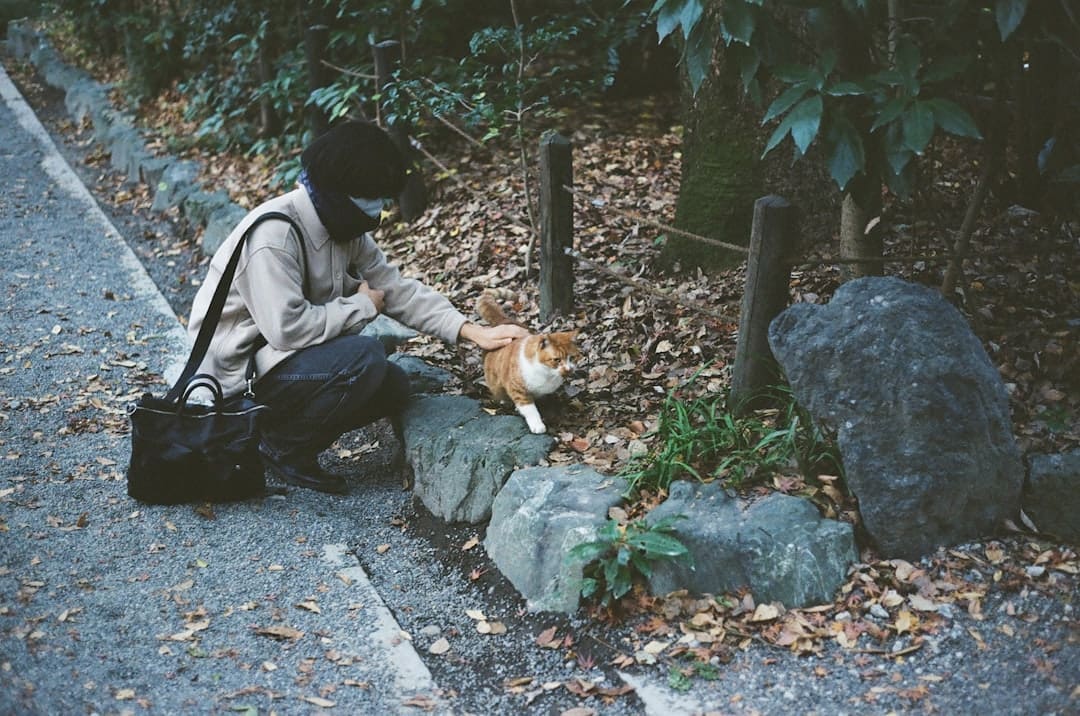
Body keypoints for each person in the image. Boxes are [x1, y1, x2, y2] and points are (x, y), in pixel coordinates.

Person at [186, 120, 527, 494]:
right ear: (340, 191)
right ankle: (281, 446)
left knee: (392, 384)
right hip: (235, 377)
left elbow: (394, 288)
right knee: (364, 357)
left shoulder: (342, 225)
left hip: (278, 364)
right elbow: (288, 330)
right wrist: (362, 307)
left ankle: (279, 436)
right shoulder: (274, 236)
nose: (377, 211)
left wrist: (470, 330)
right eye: (372, 197)